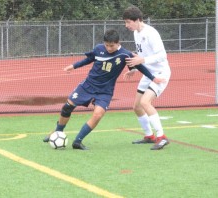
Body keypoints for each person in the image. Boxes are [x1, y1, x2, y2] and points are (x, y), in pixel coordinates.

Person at [43, 29, 165, 150]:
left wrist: (153, 78)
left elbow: (140, 67)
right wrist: (73, 66)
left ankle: (78, 142)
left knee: (98, 114)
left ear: (118, 43)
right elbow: (88, 60)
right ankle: (57, 132)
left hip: (105, 91)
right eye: (107, 45)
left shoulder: (125, 55)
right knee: (67, 107)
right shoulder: (98, 49)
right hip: (88, 85)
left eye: (111, 46)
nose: (109, 48)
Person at [122, 6, 171, 150]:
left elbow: (162, 56)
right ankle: (149, 136)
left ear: (137, 20)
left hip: (160, 74)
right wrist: (135, 69)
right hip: (148, 74)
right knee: (136, 106)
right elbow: (141, 54)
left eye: (128, 22)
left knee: (145, 102)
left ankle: (162, 137)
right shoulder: (137, 32)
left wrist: (142, 61)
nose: (126, 25)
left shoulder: (151, 33)